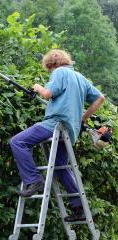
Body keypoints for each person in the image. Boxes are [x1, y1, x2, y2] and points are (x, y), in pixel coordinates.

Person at [9, 49, 105, 222]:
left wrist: (37, 87)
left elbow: (47, 94)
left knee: (17, 142)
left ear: (52, 64)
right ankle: (79, 208)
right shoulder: (81, 78)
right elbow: (100, 98)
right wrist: (82, 118)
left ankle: (33, 180)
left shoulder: (59, 72)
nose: (50, 72)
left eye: (49, 69)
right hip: (70, 130)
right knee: (61, 167)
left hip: (54, 124)